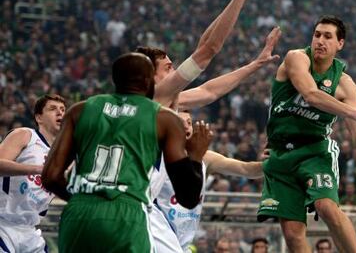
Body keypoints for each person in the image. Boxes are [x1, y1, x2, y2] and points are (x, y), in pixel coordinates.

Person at [42, 53, 212, 253]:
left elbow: (51, 176)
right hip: (127, 212)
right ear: (149, 81)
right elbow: (188, 198)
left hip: (78, 212)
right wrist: (195, 156)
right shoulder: (163, 118)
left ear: (115, 79)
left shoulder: (79, 110)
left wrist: (88, 199)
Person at [258, 15, 356, 253]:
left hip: (315, 151)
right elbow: (310, 94)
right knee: (293, 234)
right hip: (279, 154)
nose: (320, 40)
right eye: (317, 34)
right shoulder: (296, 58)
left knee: (326, 206)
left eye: (328, 36)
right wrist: (354, 112)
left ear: (340, 44)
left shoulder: (346, 85)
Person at [137, 0, 270, 109]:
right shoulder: (155, 96)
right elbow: (209, 49)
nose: (174, 70)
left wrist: (256, 64)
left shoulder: (169, 98)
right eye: (167, 68)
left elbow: (209, 91)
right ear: (149, 77)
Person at [151, 111, 263, 253]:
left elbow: (246, 169)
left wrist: (273, 163)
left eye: (189, 122)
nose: (186, 126)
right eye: (180, 122)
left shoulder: (206, 158)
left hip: (184, 239)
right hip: (159, 231)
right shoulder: (157, 154)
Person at [0, 94, 66, 253]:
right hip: (3, 224)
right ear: (39, 117)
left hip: (30, 230)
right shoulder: (26, 135)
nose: (60, 113)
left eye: (63, 110)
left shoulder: (62, 156)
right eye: (53, 109)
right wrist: (37, 169)